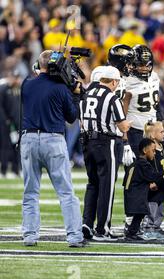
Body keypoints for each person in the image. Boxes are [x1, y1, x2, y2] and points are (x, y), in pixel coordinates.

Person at [20, 50, 84, 247]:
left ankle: (30, 235)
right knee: (65, 191)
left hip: (28, 138)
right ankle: (74, 236)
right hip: (53, 140)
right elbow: (72, 117)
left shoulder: (27, 84)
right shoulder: (61, 88)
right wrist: (75, 95)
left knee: (30, 192)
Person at [79, 66, 132, 241]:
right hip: (105, 142)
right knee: (106, 186)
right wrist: (129, 124)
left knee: (92, 183)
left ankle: (87, 223)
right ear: (114, 81)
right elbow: (122, 126)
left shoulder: (86, 94)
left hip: (86, 142)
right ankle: (102, 229)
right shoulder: (111, 97)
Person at [121, 45, 164, 163]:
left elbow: (157, 106)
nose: (144, 68)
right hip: (135, 131)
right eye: (140, 64)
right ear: (132, 64)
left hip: (153, 130)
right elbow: (123, 114)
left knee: (159, 169)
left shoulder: (154, 77)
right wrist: (125, 141)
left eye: (147, 65)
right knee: (137, 171)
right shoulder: (127, 82)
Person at [123, 138, 164, 240]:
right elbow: (153, 176)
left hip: (131, 193)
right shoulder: (143, 164)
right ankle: (131, 232)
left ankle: (132, 232)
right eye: (153, 150)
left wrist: (147, 185)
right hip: (136, 195)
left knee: (140, 213)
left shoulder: (135, 163)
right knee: (140, 213)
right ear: (145, 150)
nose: (154, 153)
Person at [142, 121, 164, 238]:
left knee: (161, 206)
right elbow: (146, 168)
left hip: (163, 182)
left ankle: (156, 226)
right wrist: (150, 181)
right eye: (161, 132)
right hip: (154, 183)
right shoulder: (149, 150)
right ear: (152, 135)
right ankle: (148, 227)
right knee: (152, 205)